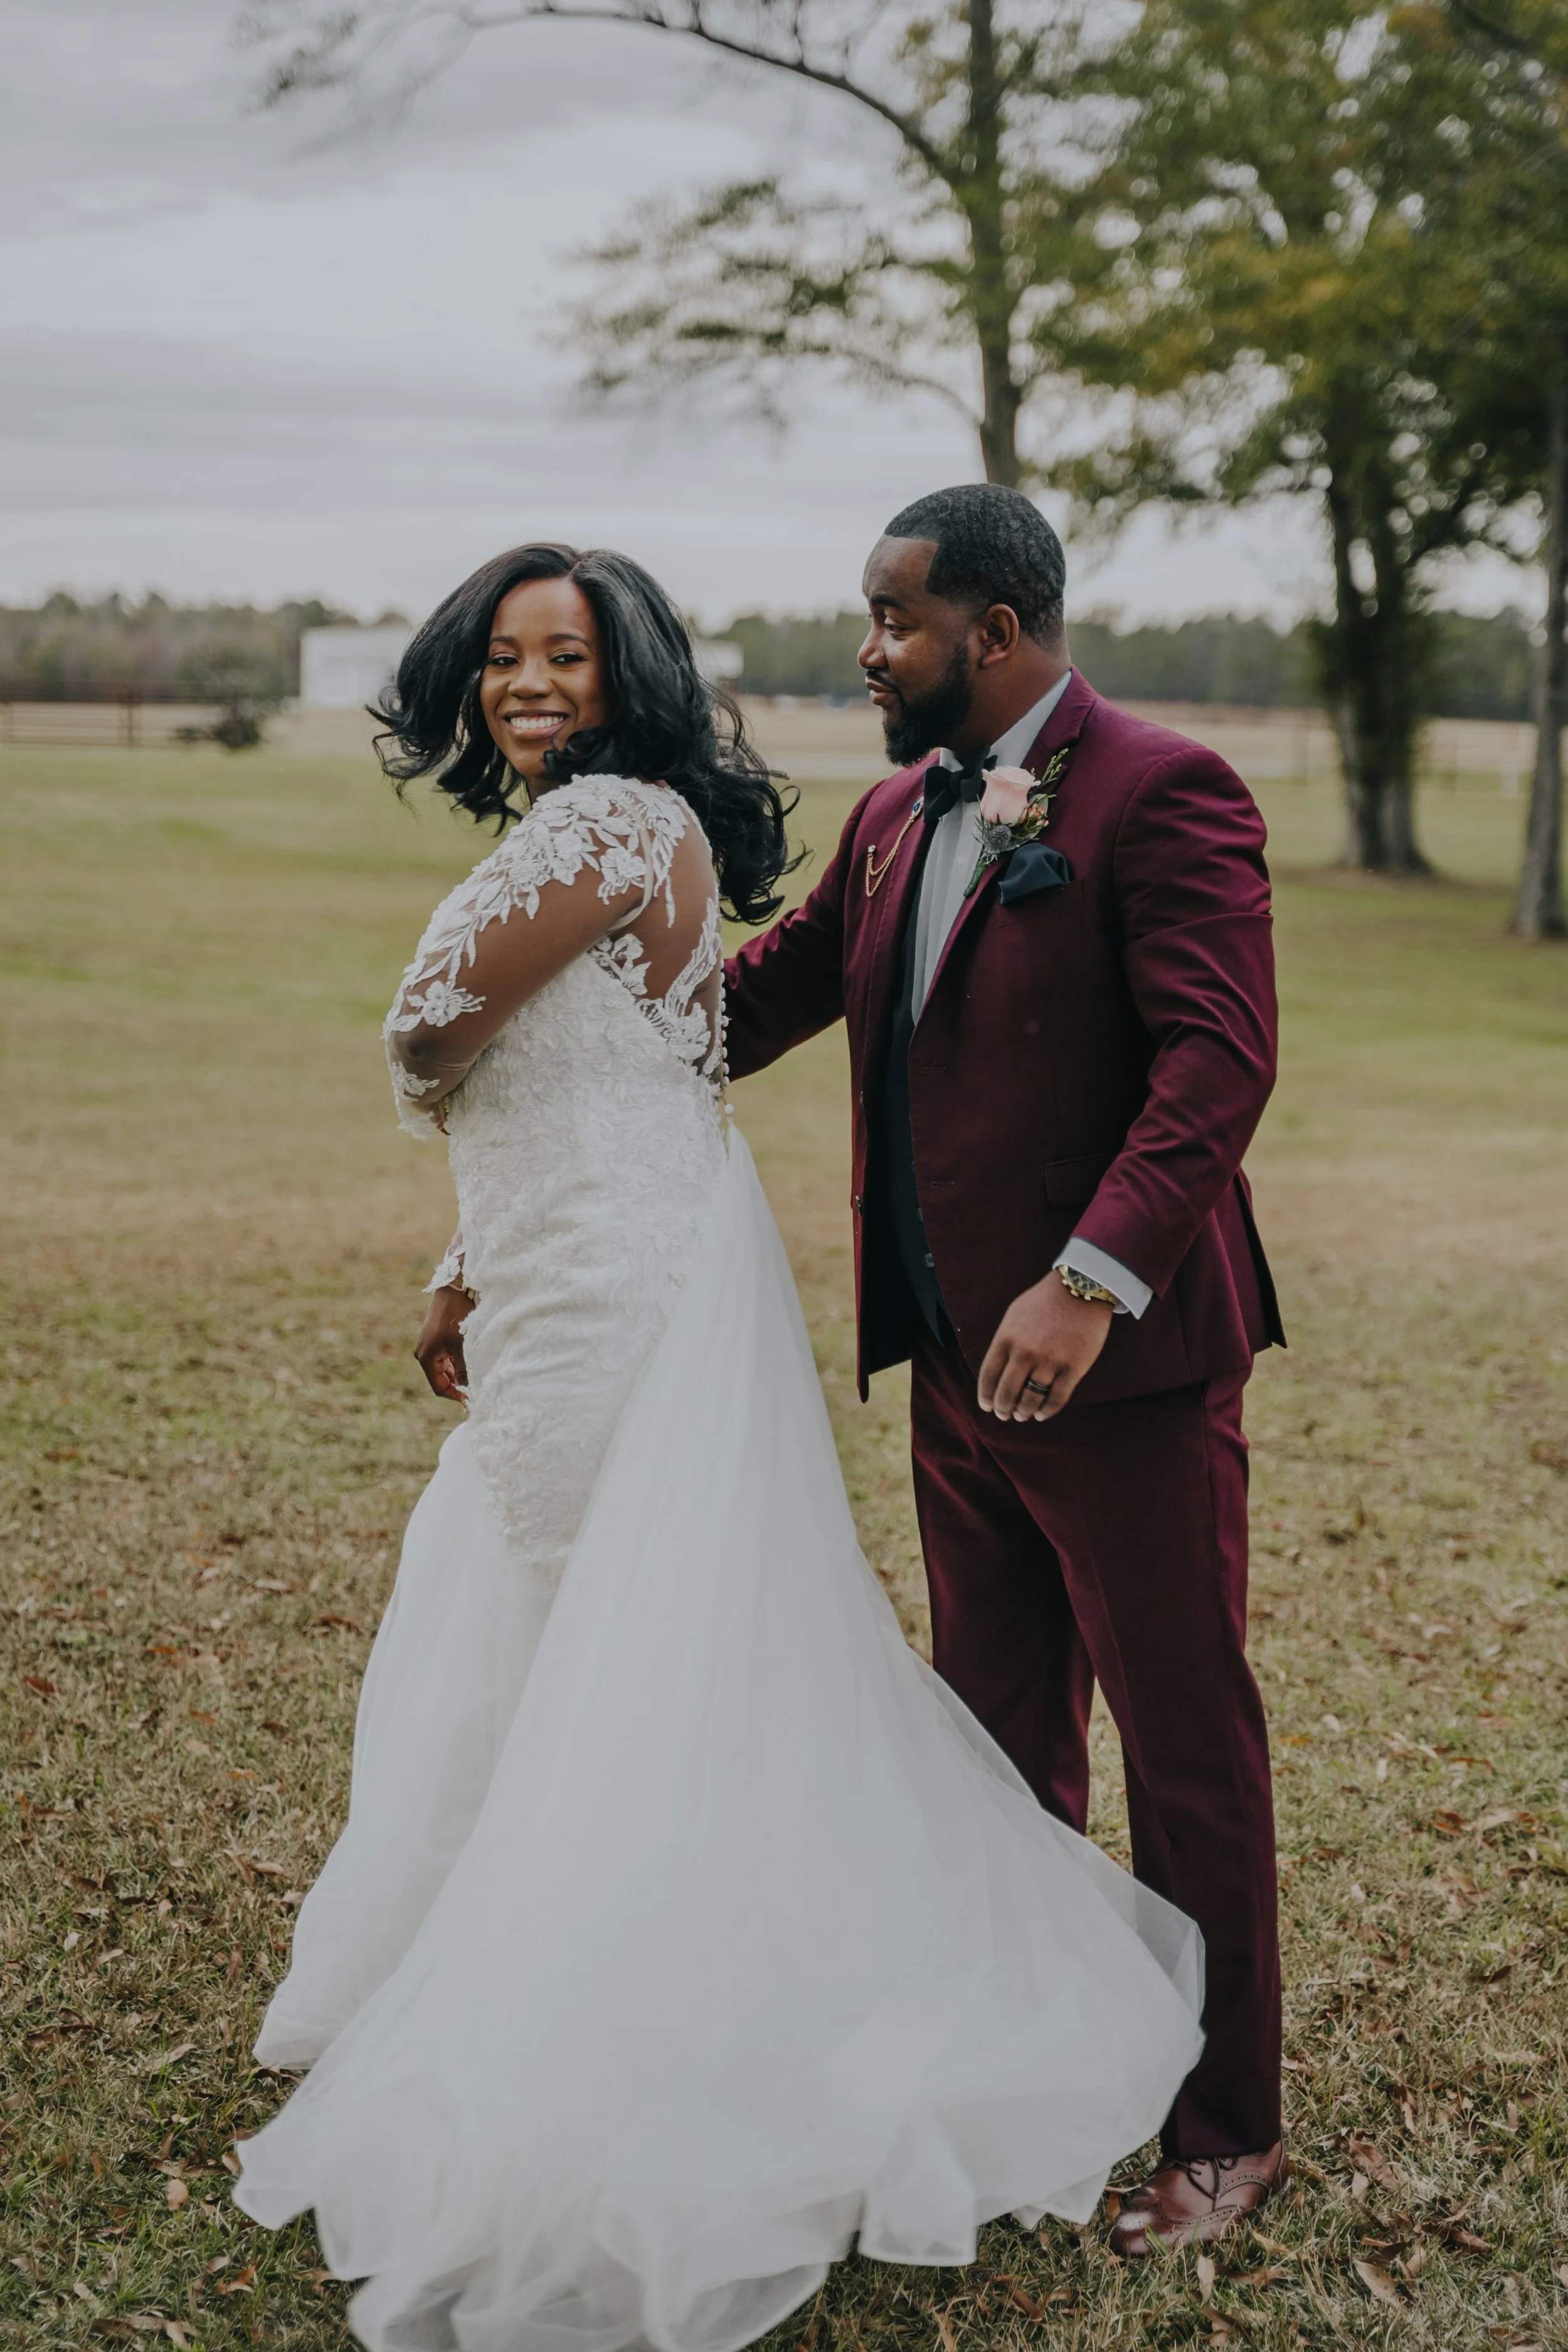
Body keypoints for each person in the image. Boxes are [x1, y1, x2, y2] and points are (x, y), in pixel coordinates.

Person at [233, 539, 1205, 2352]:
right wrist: (468, 1252)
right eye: (500, 656)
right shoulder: (765, 826)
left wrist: (1091, 1275)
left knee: (664, 1641)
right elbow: (675, 1050)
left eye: (564, 655)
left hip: (752, 1304)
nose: (527, 683)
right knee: (621, 1637)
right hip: (627, 1265)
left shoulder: (612, 823)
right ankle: (576, 1963)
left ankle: (680, 2019)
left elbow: (429, 1024)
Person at [725, 484, 1289, 2255]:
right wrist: (563, 1039)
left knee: (1181, 1737)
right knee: (994, 1739)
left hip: (1110, 1371)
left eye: (893, 620)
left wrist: (1088, 1277)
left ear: (995, 631)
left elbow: (1216, 1058)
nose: (870, 650)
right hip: (942, 1362)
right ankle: (1034, 2055)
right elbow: (769, 992)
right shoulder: (898, 809)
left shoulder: (1163, 788)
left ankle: (1226, 2117)